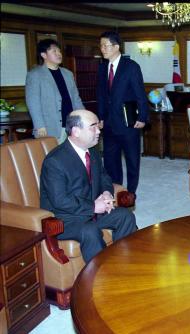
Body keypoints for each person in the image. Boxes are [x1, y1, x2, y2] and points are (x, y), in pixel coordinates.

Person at [40, 109, 137, 263]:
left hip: (92, 213)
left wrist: (106, 192)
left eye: (98, 126)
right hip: (65, 219)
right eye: (93, 127)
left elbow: (104, 176)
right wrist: (93, 207)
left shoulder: (92, 150)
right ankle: (100, 280)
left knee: (125, 216)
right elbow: (59, 200)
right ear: (76, 131)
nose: (99, 131)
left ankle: (124, 264)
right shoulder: (55, 161)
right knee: (90, 230)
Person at [96, 31, 149, 197]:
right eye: (101, 45)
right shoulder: (102, 67)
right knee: (111, 161)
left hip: (129, 123)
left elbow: (140, 93)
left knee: (133, 160)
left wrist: (142, 117)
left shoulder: (131, 66)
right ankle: (116, 191)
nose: (102, 49)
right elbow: (101, 96)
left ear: (116, 47)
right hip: (109, 124)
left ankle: (131, 192)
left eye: (106, 45)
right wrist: (101, 117)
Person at [26, 39, 84, 143]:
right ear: (44, 55)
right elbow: (33, 103)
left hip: (72, 125)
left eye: (59, 51)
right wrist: (39, 125)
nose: (59, 54)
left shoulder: (68, 74)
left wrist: (83, 118)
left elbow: (76, 99)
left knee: (72, 157)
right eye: (54, 51)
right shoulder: (35, 74)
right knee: (52, 157)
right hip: (50, 126)